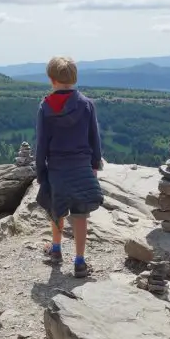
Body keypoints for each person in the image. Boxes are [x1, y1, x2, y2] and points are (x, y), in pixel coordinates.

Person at [34, 55, 104, 279]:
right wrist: (95, 164)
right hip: (82, 166)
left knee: (57, 209)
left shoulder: (45, 107)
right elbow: (94, 138)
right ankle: (80, 262)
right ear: (74, 78)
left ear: (51, 79)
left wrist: (40, 170)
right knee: (81, 214)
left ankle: (56, 250)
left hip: (57, 167)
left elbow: (41, 143)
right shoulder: (86, 104)